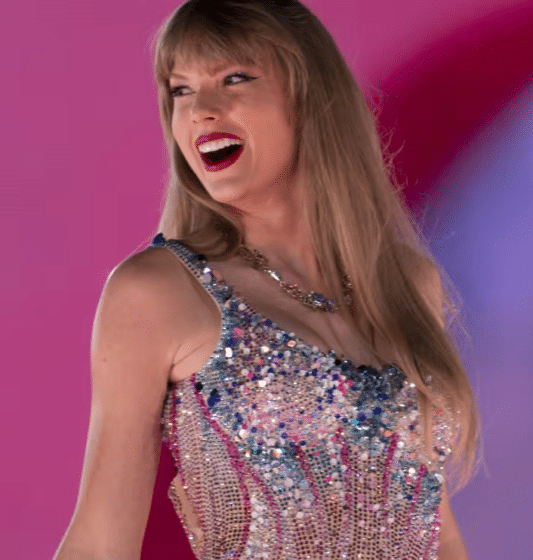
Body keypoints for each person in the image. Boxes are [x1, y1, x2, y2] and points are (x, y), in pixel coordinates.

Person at [54, 1, 480, 558]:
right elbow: (98, 542)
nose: (200, 110)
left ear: (310, 98)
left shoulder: (405, 282)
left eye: (234, 78)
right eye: (181, 90)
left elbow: (434, 529)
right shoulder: (157, 293)